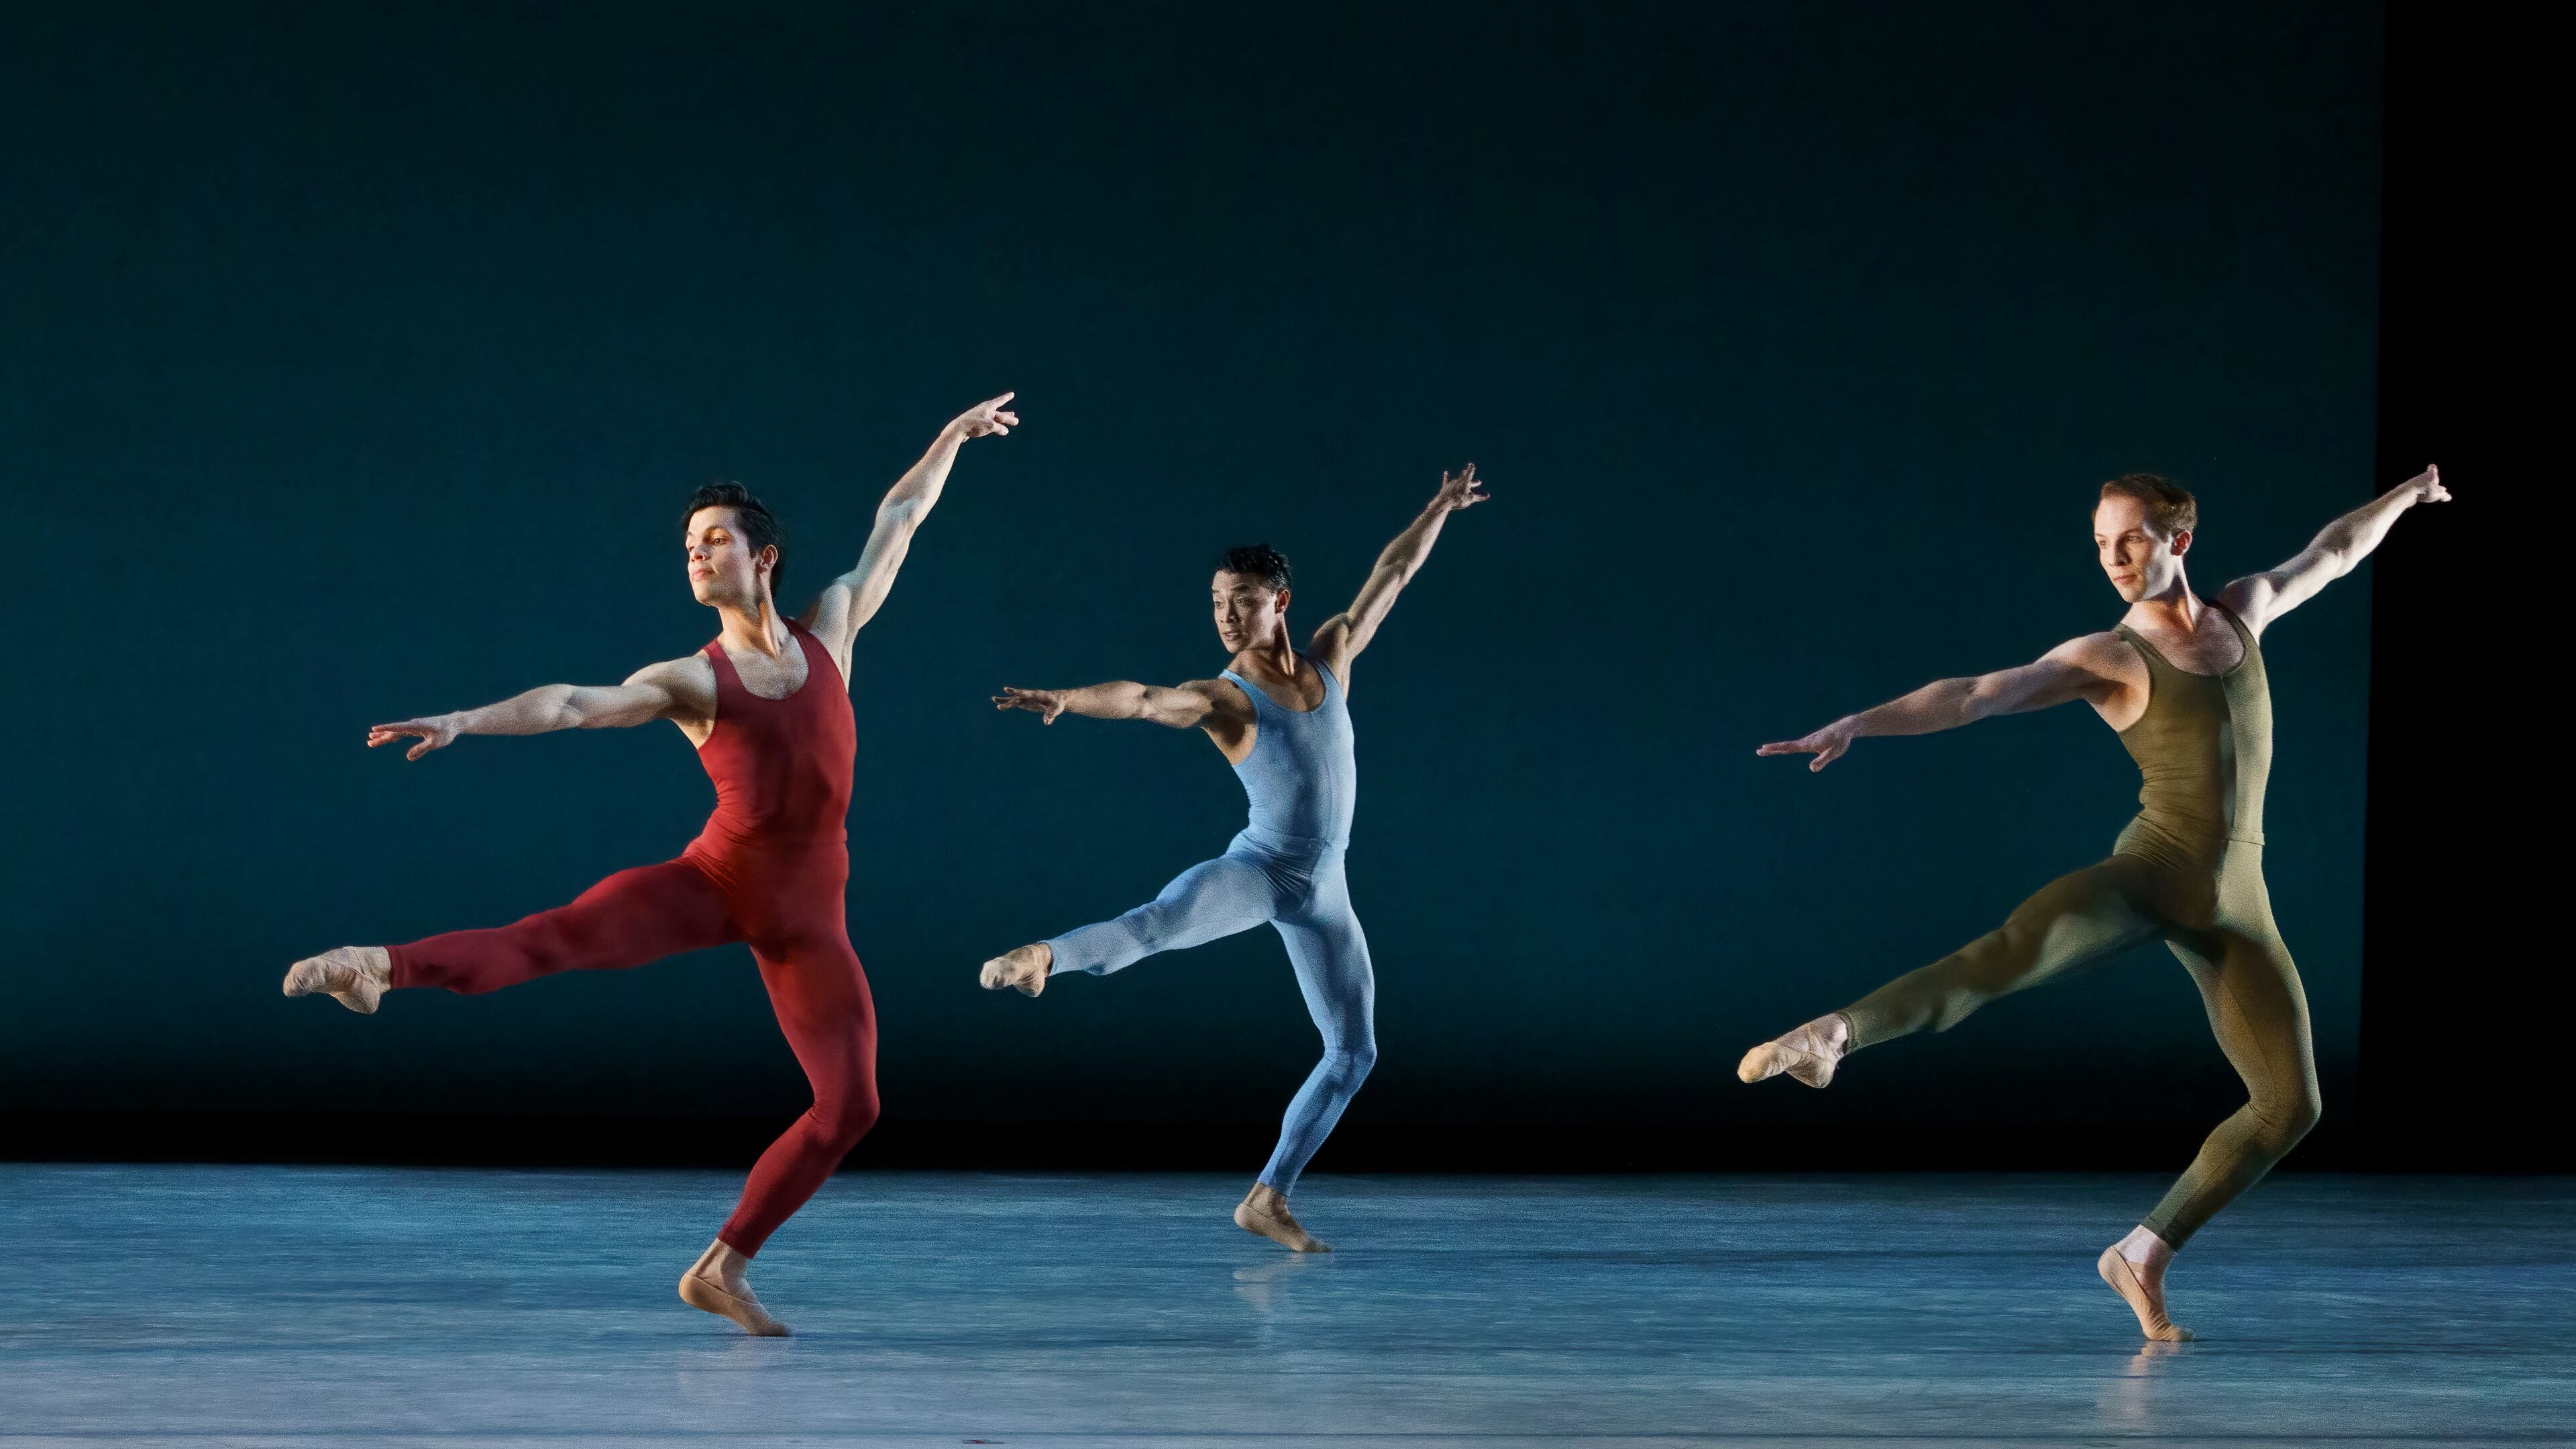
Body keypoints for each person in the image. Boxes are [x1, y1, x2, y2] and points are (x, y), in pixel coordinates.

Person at [282, 394, 1020, 1336]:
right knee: (550, 940)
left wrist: (951, 437)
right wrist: (464, 720)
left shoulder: (832, 628)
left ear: (764, 558)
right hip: (715, 884)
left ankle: (723, 1267)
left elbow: (899, 518)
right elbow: (570, 705)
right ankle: (373, 965)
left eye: (714, 540)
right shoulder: (692, 679)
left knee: (853, 1107)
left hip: (809, 922)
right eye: (688, 547)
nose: (697, 555)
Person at [1746, 466, 2449, 1341]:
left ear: (2176, 541)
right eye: (2101, 545)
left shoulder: (2244, 611)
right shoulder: (2111, 656)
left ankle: (2142, 1254)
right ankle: (1834, 1035)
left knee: (2291, 1105)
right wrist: (1859, 722)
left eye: (2130, 540)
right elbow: (1973, 694)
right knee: (2012, 951)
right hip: (2153, 872)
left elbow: (2335, 552)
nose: (2113, 559)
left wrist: (2406, 498)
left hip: (2240, 904)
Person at [979, 464, 1492, 1252]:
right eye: (1216, 603)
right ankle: (1045, 955)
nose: (1224, 616)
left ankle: (1268, 1197)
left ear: (1279, 603)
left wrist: (1440, 506)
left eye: (1241, 602)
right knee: (1157, 923)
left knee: (1355, 1053)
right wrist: (1069, 699)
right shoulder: (1225, 698)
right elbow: (1148, 699)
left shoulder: (1331, 659)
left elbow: (1393, 574)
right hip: (1259, 872)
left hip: (1325, 891)